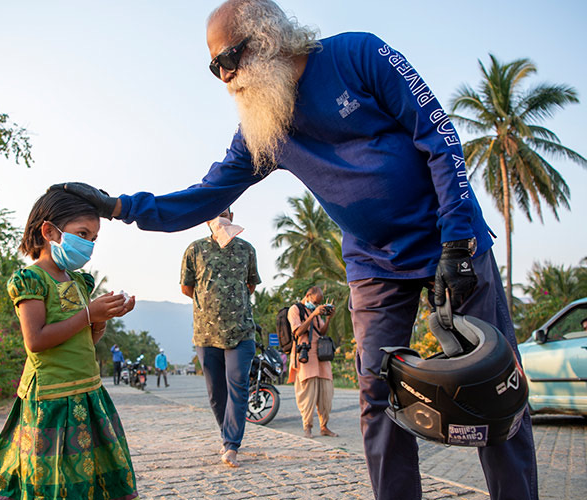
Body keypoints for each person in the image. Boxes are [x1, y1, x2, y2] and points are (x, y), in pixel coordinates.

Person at [60, 1, 538, 498]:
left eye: (226, 61)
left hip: (451, 241)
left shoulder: (360, 53)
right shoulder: (263, 129)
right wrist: (119, 206)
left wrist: (457, 239)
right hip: (374, 264)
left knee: (496, 390)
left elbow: (438, 135)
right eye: (214, 69)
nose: (224, 78)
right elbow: (205, 196)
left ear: (265, 41)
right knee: (378, 397)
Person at [0, 186, 138, 500]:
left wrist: (101, 317)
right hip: (51, 398)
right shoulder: (32, 279)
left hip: (87, 391)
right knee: (51, 478)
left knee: (90, 472)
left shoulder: (78, 282)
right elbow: (35, 340)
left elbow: (86, 338)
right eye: (82, 233)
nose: (89, 244)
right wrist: (89, 313)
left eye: (93, 238)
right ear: (49, 231)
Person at [180, 207, 260, 468]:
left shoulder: (247, 249)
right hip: (206, 333)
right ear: (207, 219)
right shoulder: (194, 250)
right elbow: (187, 287)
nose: (221, 216)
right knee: (216, 393)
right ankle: (227, 434)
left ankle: (231, 445)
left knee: (238, 387)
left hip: (242, 331)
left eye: (225, 211)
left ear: (233, 216)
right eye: (215, 211)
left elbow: (250, 285)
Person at [288, 286, 337, 438]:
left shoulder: (316, 312)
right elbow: (297, 331)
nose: (315, 305)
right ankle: (307, 427)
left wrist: (328, 318)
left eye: (318, 304)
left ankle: (324, 426)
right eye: (315, 302)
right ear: (308, 295)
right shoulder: (295, 309)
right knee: (307, 394)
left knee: (326, 392)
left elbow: (322, 332)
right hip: (305, 355)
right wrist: (313, 314)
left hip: (321, 356)